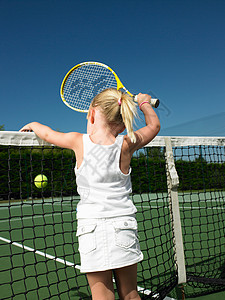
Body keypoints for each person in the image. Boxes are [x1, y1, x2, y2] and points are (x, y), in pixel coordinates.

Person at [20, 89, 160, 300]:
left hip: (91, 228)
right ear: (123, 123)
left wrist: (32, 124)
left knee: (102, 296)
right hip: (124, 225)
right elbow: (154, 127)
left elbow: (47, 133)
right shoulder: (126, 143)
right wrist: (144, 103)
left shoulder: (77, 141)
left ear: (92, 114)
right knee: (131, 295)